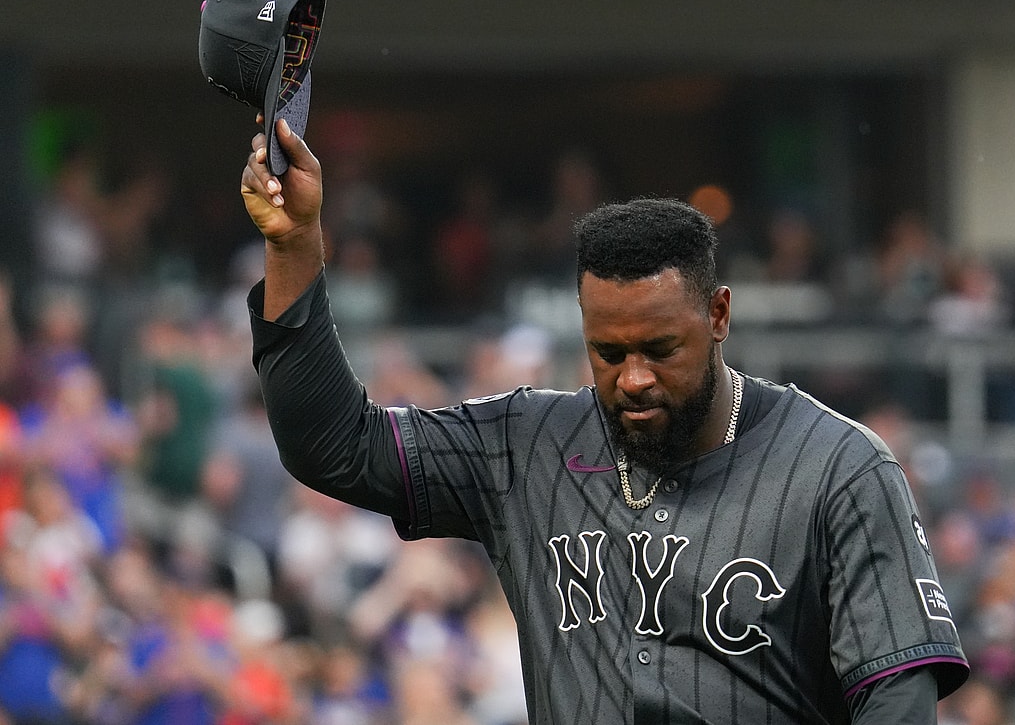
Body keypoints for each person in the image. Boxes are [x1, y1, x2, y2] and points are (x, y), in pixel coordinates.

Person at [236, 117, 970, 724]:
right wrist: (293, 244)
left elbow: (897, 701)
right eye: (608, 352)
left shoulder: (838, 466)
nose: (634, 376)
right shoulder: (525, 444)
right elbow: (334, 447)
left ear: (718, 314)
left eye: (660, 348)